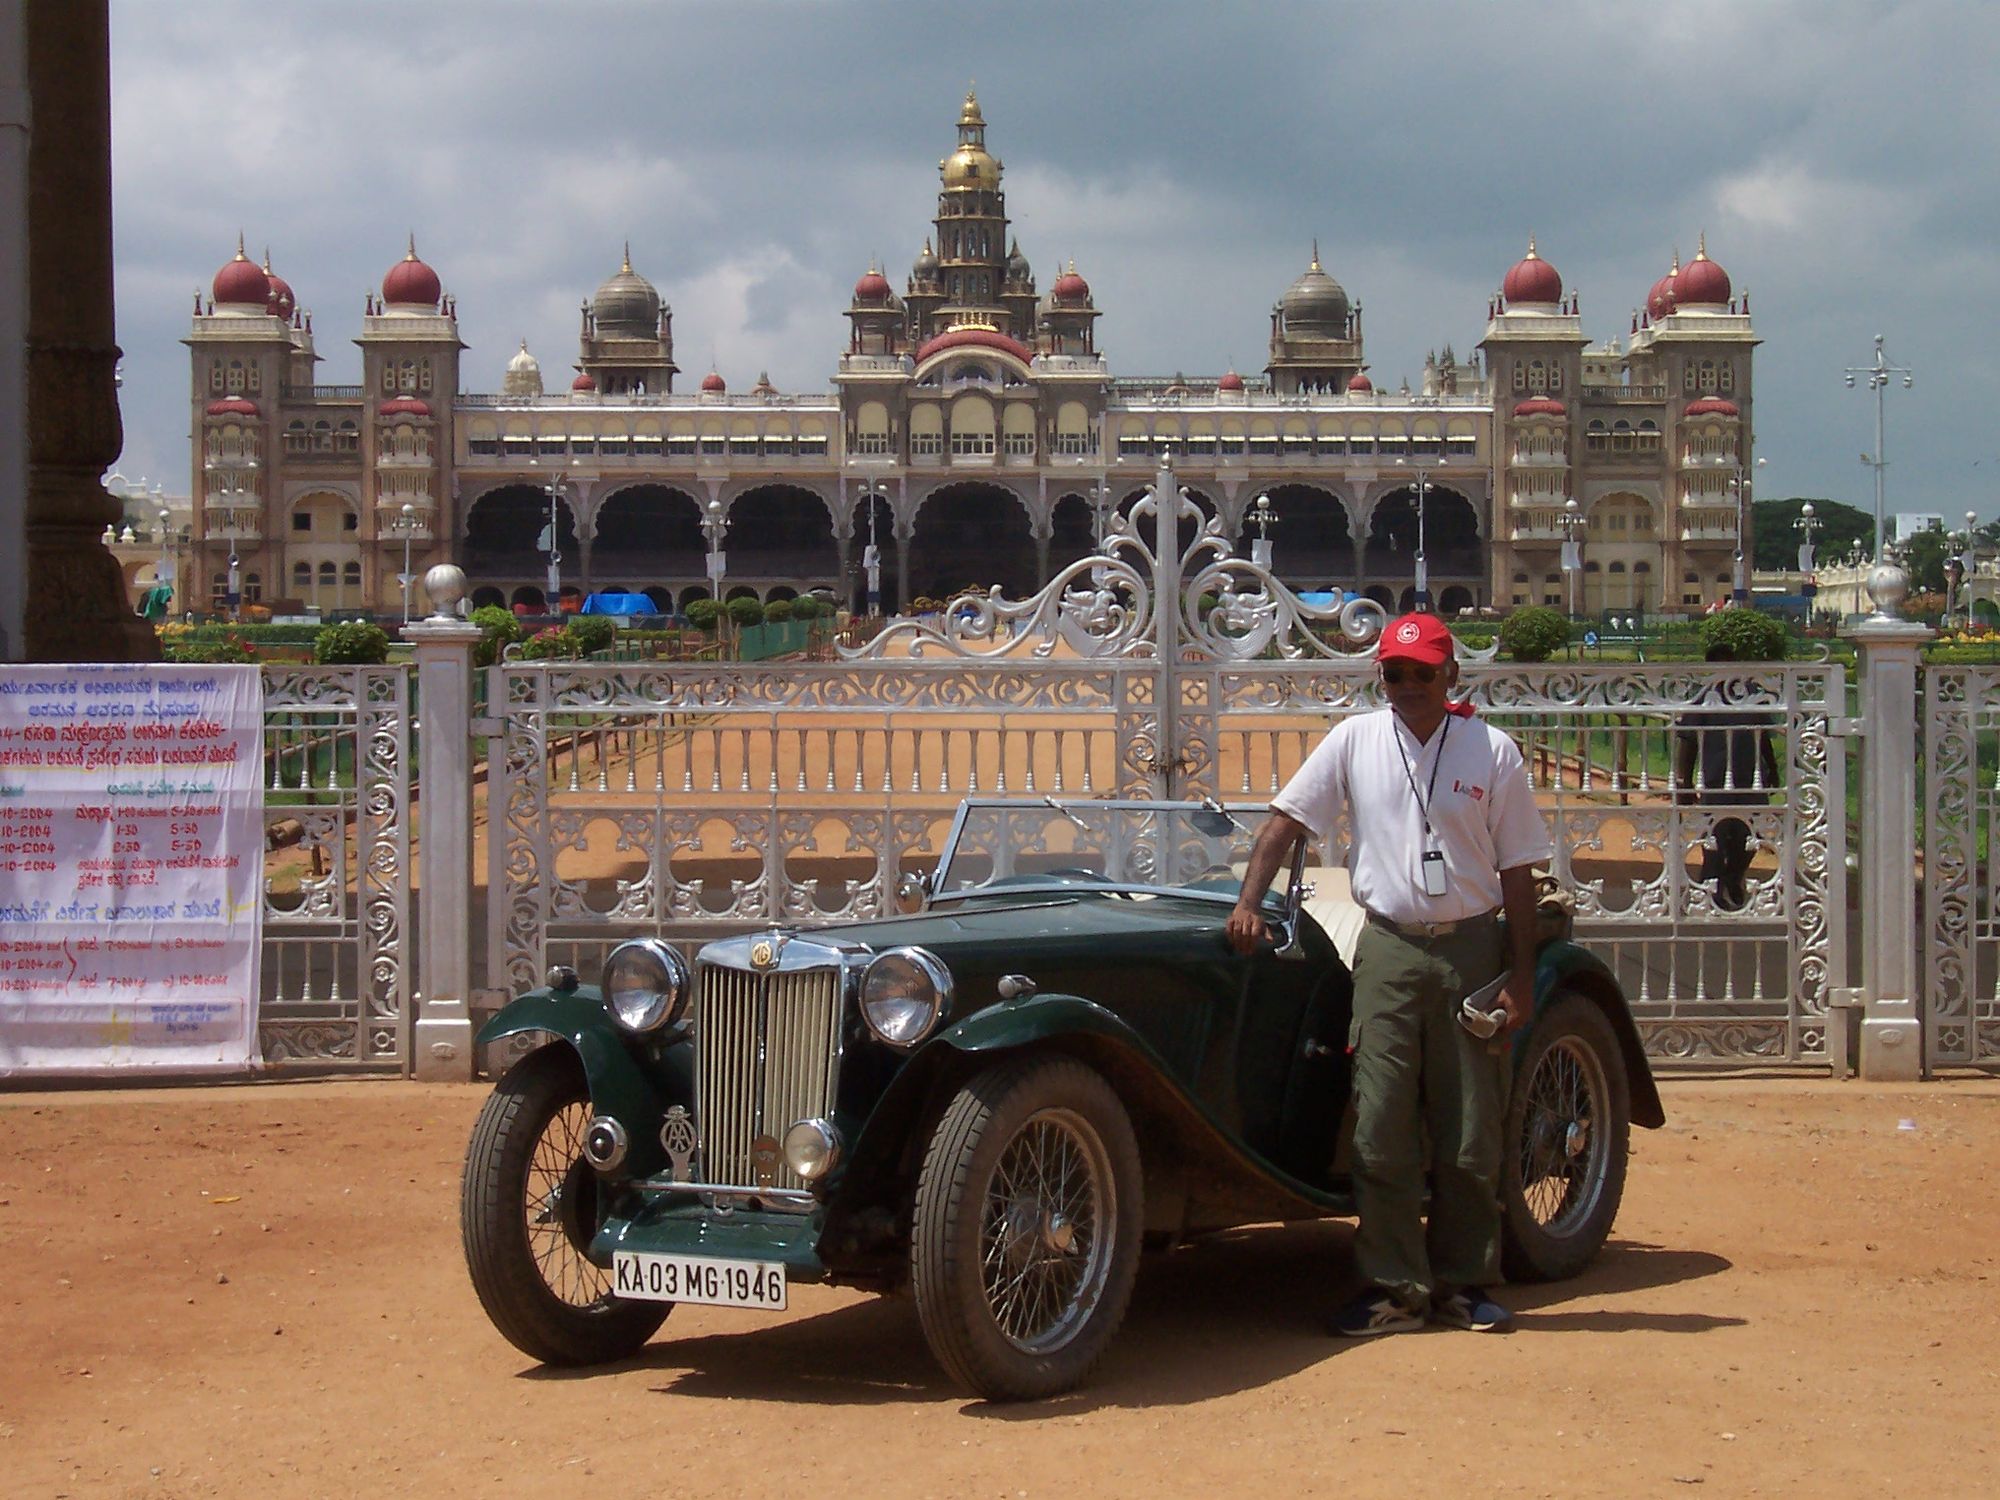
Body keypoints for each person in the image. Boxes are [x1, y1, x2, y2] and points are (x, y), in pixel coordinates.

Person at [1225, 612, 1553, 1336]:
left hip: (1470, 950)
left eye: (1421, 674)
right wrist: (1249, 902)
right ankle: (1394, 1289)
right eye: (1394, 674)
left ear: (1451, 676)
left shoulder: (1491, 752)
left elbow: (1519, 868)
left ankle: (1464, 1282)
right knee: (1379, 1124)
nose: (1406, 687)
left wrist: (1521, 975)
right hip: (1390, 952)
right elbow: (1286, 821)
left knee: (1471, 1128)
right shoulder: (1355, 739)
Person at [1674, 641, 1780, 912]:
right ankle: (1708, 892)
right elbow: (1687, 742)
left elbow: (1763, 735)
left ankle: (1732, 879)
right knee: (1715, 839)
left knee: (1750, 839)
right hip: (1715, 780)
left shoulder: (1750, 695)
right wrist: (1683, 782)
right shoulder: (1704, 698)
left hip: (1750, 779)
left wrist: (1772, 768)